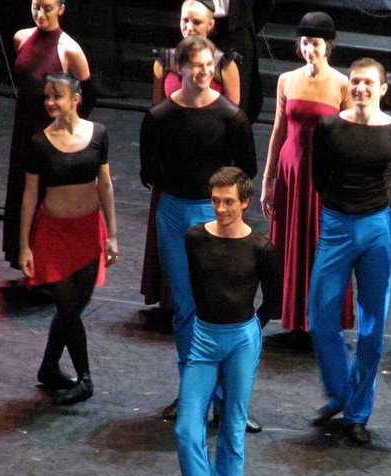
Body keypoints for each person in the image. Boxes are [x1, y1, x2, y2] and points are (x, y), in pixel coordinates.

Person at [139, 36, 260, 430]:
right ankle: (193, 394)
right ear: (181, 69)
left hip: (216, 216)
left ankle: (226, 401)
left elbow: (246, 169)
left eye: (210, 64)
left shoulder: (231, 116)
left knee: (221, 308)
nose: (205, 71)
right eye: (197, 65)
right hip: (175, 214)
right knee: (186, 309)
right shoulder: (159, 116)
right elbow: (149, 171)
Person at [160, 166, 280, 476]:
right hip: (204, 338)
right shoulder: (195, 237)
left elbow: (273, 301)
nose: (221, 208)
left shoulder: (260, 247)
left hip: (241, 340)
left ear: (245, 202)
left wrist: (251, 331)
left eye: (229, 202)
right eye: (215, 201)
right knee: (186, 429)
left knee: (232, 427)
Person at [308, 58, 391, 443]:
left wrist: (381, 214)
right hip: (336, 225)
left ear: (383, 89)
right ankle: (341, 391)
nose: (361, 88)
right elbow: (318, 178)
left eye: (369, 83)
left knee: (372, 325)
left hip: (375, 228)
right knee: (320, 314)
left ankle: (357, 412)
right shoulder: (328, 127)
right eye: (355, 81)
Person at [19, 72, 118, 405]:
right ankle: (85, 379)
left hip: (89, 232)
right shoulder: (39, 142)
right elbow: (30, 196)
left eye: (57, 96)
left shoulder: (98, 134)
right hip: (53, 235)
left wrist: (112, 234)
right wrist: (24, 245)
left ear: (75, 99)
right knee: (68, 309)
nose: (50, 102)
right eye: (47, 96)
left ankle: (49, 367)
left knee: (73, 307)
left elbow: (105, 185)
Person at [261, 11, 355, 341]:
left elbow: (347, 138)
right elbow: (278, 130)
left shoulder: (342, 84)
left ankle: (322, 315)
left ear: (328, 46)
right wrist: (268, 178)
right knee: (290, 243)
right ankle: (293, 314)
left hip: (323, 175)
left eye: (315, 43)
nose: (309, 49)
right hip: (290, 171)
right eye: (305, 43)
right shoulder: (287, 80)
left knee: (321, 244)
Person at [141, 0, 241, 309]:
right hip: (173, 166)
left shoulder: (224, 65)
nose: (189, 27)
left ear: (211, 25)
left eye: (196, 22)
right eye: (185, 20)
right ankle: (173, 302)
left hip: (208, 168)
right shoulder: (164, 61)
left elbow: (234, 121)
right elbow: (156, 114)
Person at [3, 0, 94, 277]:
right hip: (23, 129)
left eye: (47, 8)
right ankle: (25, 260)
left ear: (61, 9)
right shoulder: (21, 37)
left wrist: (64, 128)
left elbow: (87, 96)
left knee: (44, 195)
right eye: (36, 7)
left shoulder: (69, 48)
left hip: (49, 134)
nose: (40, 14)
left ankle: (48, 266)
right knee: (22, 191)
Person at [210, 0, 275, 123]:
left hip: (238, 30)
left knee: (240, 103)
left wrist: (245, 23)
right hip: (201, 27)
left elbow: (264, 5)